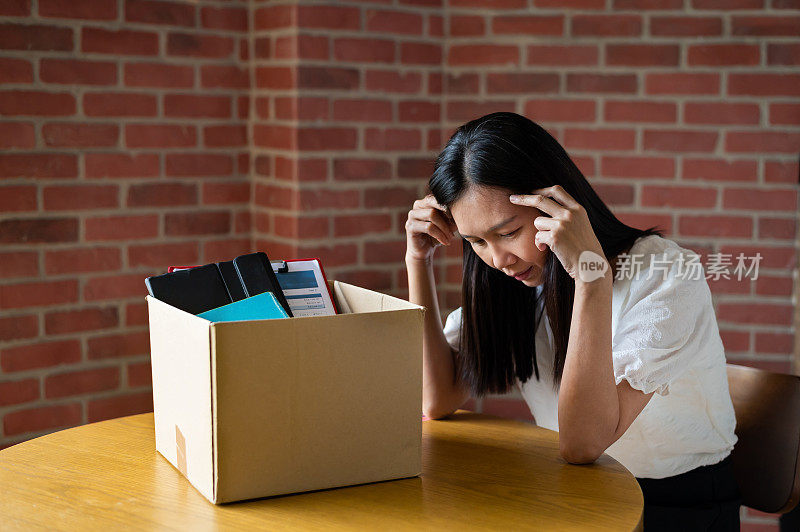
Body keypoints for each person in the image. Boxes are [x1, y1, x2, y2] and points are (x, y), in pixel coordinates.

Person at [405, 112, 741, 531]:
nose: (496, 260)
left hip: (677, 505)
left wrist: (591, 276)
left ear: (555, 204)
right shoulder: (515, 280)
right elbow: (435, 400)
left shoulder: (665, 273)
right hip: (575, 493)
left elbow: (582, 443)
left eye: (508, 232)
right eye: (476, 242)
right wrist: (417, 261)